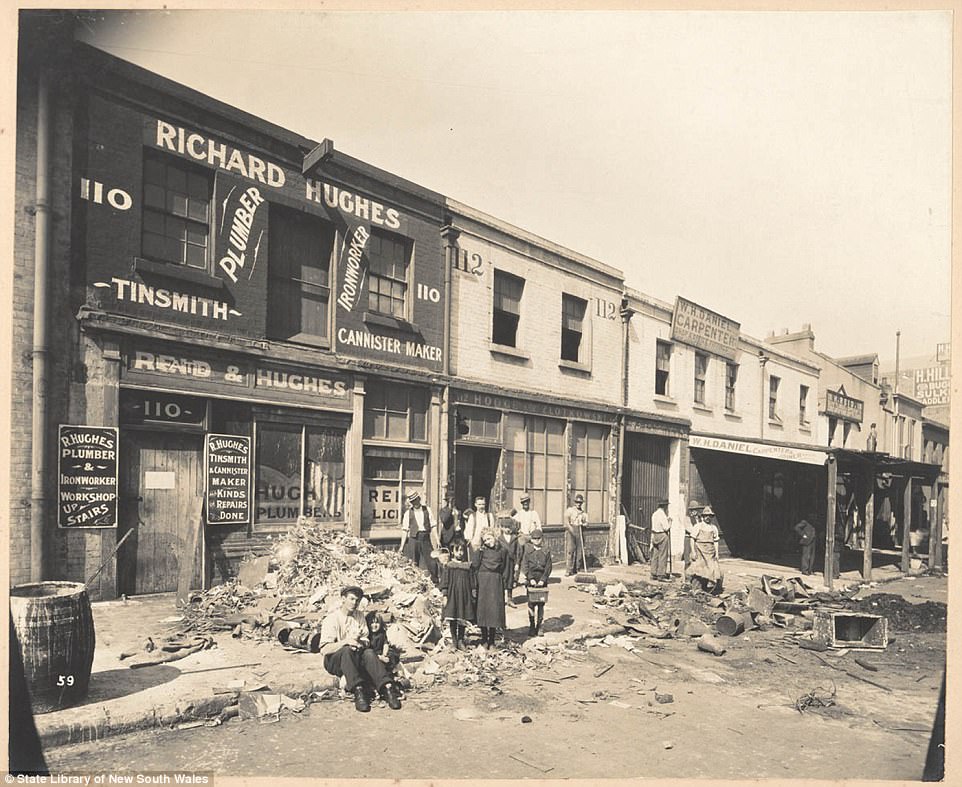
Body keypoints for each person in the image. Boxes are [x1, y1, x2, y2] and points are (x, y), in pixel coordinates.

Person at [319, 586, 402, 712]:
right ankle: (359, 691)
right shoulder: (331, 619)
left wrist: (360, 643)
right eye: (351, 599)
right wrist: (346, 642)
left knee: (369, 652)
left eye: (357, 600)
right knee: (346, 650)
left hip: (355, 657)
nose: (354, 603)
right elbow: (324, 649)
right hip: (335, 661)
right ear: (343, 599)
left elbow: (366, 639)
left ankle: (387, 688)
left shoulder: (359, 616)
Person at [471, 527, 512, 649]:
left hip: (495, 582)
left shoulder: (503, 550)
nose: (488, 542)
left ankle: (492, 640)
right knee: (483, 611)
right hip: (483, 582)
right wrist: (475, 586)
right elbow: (475, 567)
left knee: (494, 611)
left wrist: (505, 585)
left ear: (494, 536)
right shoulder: (481, 551)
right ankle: (484, 639)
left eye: (489, 538)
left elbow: (506, 568)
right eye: (485, 540)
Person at [439, 539, 476, 650]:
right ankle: (454, 641)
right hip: (452, 595)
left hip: (464, 595)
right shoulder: (449, 566)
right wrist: (445, 595)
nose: (460, 553)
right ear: (452, 552)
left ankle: (461, 640)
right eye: (457, 550)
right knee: (453, 618)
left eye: (462, 550)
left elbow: (472, 581)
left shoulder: (467, 566)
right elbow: (445, 582)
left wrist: (473, 593)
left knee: (462, 618)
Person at [398, 491, 438, 583]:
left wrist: (437, 540)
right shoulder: (408, 513)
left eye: (415, 501)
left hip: (425, 538)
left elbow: (433, 526)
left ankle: (435, 581)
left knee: (432, 561)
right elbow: (405, 530)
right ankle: (414, 583)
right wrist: (401, 546)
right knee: (413, 562)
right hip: (414, 539)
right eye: (412, 502)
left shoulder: (427, 510)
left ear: (419, 499)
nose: (414, 503)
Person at [521, 528, 552, 636]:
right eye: (534, 539)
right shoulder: (527, 551)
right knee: (531, 603)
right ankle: (532, 625)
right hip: (531, 580)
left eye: (538, 539)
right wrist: (530, 578)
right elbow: (524, 566)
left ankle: (540, 626)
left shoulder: (546, 551)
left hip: (542, 579)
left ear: (542, 539)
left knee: (541, 604)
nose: (536, 541)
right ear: (531, 540)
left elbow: (548, 567)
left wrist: (543, 580)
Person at [688, 505, 721, 592]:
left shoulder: (713, 528)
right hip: (700, 551)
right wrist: (693, 551)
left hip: (710, 552)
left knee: (710, 569)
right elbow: (692, 539)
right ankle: (697, 588)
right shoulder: (698, 526)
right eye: (706, 516)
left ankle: (707, 589)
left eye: (709, 516)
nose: (707, 518)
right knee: (699, 570)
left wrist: (717, 553)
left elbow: (716, 541)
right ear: (703, 517)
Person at [564, 493, 588, 576]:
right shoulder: (570, 510)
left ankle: (577, 569)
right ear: (575, 502)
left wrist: (583, 524)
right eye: (577, 502)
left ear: (582, 503)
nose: (578, 504)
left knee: (579, 552)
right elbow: (566, 522)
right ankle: (568, 570)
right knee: (570, 551)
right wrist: (571, 530)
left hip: (580, 531)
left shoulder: (583, 513)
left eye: (580, 502)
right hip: (571, 530)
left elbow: (586, 523)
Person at [499, 517, 522, 603]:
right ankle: (501, 598)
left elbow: (518, 552)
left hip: (511, 562)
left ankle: (510, 598)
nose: (507, 529)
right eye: (505, 527)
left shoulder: (514, 538)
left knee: (510, 579)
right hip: (503, 562)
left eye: (509, 527)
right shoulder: (499, 539)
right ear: (501, 527)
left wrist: (517, 563)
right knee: (502, 579)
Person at [649, 498, 672, 581]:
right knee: (663, 555)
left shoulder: (654, 514)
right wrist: (670, 522)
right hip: (662, 535)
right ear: (665, 506)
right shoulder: (662, 515)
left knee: (655, 555)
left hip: (655, 535)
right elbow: (666, 528)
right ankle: (661, 574)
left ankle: (653, 573)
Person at [683, 500, 703, 573]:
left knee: (696, 557)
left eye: (696, 509)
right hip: (688, 539)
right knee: (688, 558)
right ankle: (687, 575)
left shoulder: (699, 518)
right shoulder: (687, 518)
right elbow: (689, 529)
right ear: (690, 510)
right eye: (693, 509)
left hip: (697, 540)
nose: (695, 511)